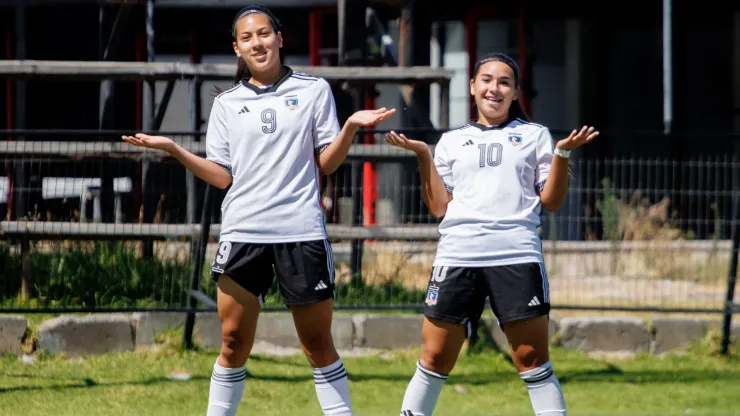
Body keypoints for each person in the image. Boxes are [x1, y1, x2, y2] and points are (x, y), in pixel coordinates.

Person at [122, 5, 395, 416]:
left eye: (264, 34)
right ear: (237, 48)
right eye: (247, 38)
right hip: (243, 234)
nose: (258, 42)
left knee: (317, 346)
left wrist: (351, 127)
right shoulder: (227, 103)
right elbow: (221, 176)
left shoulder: (314, 89)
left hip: (300, 232)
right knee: (232, 341)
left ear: (280, 38)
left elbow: (327, 163)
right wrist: (175, 150)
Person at [385, 53, 598, 416]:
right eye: (486, 80)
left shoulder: (535, 136)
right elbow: (439, 207)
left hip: (515, 255)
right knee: (435, 356)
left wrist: (561, 155)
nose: (494, 88)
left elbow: (552, 200)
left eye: (504, 82)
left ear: (515, 92)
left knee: (531, 359)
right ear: (472, 87)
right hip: (457, 257)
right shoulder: (452, 141)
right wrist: (423, 154)